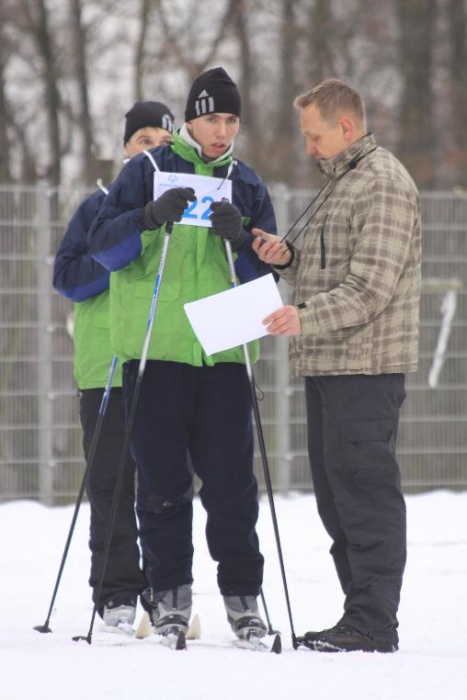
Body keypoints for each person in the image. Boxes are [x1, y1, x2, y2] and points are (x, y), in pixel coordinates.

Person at [87, 67, 277, 641]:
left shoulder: (246, 182)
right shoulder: (145, 170)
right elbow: (103, 247)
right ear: (190, 119)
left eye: (232, 119)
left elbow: (266, 273)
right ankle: (170, 596)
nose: (223, 130)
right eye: (212, 118)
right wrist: (146, 218)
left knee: (231, 485)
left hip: (224, 354)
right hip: (157, 351)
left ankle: (244, 600)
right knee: (162, 483)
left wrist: (241, 239)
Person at [252, 78, 421, 653]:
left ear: (346, 127)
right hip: (328, 364)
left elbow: (370, 288)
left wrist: (301, 316)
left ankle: (374, 622)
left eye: (315, 135)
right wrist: (288, 259)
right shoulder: (341, 183)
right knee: (336, 498)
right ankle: (360, 614)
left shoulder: (382, 183)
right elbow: (332, 272)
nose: (308, 147)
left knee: (365, 494)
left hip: (365, 368)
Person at [53, 101, 176, 630]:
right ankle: (117, 590)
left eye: (163, 143)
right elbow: (68, 278)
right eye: (143, 140)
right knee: (110, 482)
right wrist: (120, 253)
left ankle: (167, 589)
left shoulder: (184, 206)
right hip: (105, 368)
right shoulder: (97, 207)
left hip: (164, 365)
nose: (152, 151)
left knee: (164, 486)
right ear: (126, 148)